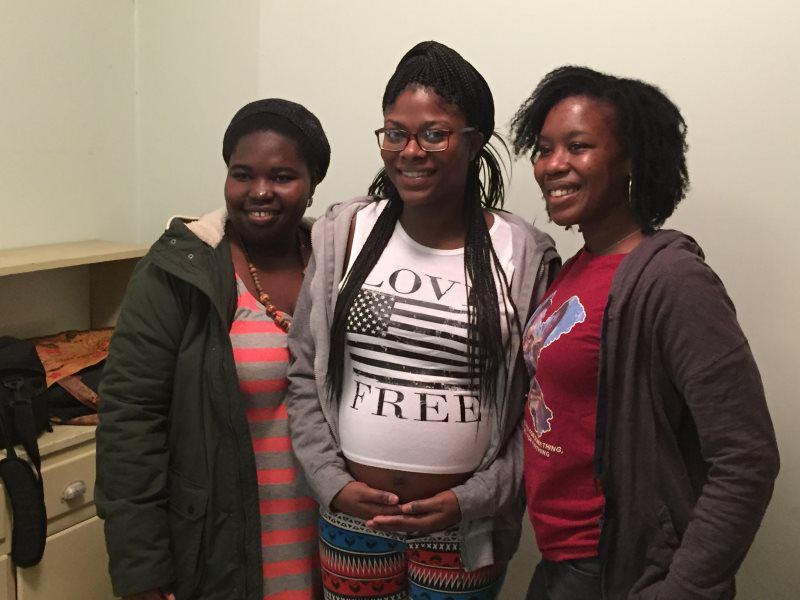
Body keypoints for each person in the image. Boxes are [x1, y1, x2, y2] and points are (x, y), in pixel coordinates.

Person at [285, 41, 559, 600]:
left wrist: (474, 497)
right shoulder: (344, 233)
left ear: (475, 141)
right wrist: (331, 484)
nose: (411, 150)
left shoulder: (523, 251)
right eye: (395, 132)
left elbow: (539, 407)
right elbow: (303, 373)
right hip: (353, 522)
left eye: (434, 133)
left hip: (464, 526)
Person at [510, 66, 780, 599]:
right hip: (560, 561)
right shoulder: (573, 269)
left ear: (632, 159)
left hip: (619, 569)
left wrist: (683, 589)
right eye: (544, 148)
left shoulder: (674, 282)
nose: (552, 165)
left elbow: (746, 457)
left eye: (578, 146)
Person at [96, 98, 331, 600]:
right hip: (219, 548)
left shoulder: (342, 267)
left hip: (338, 549)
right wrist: (141, 568)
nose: (259, 191)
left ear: (312, 184)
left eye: (283, 175)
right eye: (242, 174)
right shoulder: (178, 273)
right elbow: (130, 420)